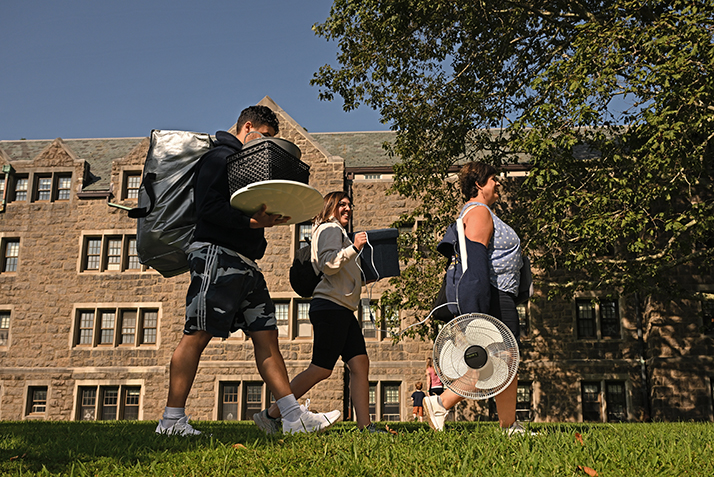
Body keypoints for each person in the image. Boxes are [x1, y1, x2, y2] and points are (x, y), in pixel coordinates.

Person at [156, 105, 340, 436]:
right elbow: (208, 209)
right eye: (266, 137)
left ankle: (292, 418)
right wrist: (252, 221)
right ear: (248, 128)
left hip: (246, 264)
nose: (268, 145)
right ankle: (171, 421)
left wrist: (265, 221)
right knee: (197, 333)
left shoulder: (248, 168)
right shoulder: (219, 157)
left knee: (267, 338)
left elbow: (247, 213)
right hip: (216, 256)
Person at [255, 191, 386, 434]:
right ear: (330, 207)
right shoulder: (329, 229)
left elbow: (339, 268)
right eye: (342, 205)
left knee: (359, 364)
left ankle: (365, 427)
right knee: (321, 368)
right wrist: (355, 248)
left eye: (349, 204)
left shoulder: (337, 232)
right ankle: (270, 414)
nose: (348, 208)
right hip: (330, 307)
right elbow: (328, 264)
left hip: (342, 308)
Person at [423, 161, 530, 436]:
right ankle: (443, 402)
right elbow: (476, 264)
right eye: (493, 179)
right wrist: (476, 313)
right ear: (479, 184)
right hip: (493, 295)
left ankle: (445, 405)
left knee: (500, 361)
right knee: (502, 359)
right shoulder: (480, 212)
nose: (498, 184)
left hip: (498, 293)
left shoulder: (482, 212)